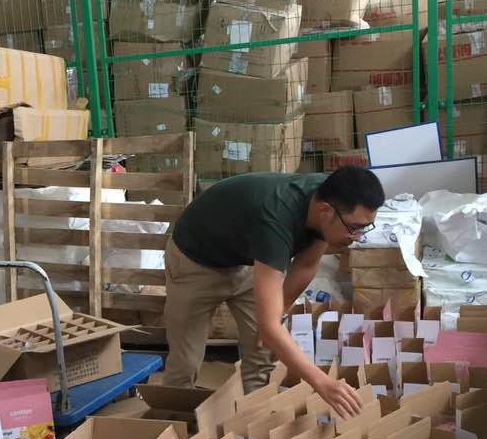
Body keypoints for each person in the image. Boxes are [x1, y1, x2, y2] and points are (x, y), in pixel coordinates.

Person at [163, 166, 385, 415]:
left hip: (247, 260)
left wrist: (276, 316)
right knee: (186, 361)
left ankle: (255, 422)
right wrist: (321, 382)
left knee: (262, 353)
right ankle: (175, 423)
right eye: (354, 228)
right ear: (325, 212)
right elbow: (269, 327)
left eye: (365, 227)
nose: (358, 237)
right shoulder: (276, 219)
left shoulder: (330, 196)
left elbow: (306, 265)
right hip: (195, 261)